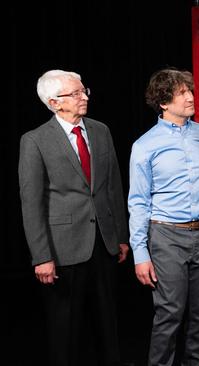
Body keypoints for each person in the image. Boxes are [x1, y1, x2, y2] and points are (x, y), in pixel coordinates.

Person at [18, 70, 129, 365]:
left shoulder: (101, 130)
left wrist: (121, 236)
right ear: (54, 102)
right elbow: (32, 203)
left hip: (104, 244)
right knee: (65, 329)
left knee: (108, 326)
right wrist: (41, 256)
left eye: (84, 91)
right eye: (75, 94)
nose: (84, 98)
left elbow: (113, 186)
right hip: (62, 249)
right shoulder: (35, 140)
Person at [128, 68, 199, 365]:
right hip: (165, 236)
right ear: (163, 101)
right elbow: (138, 201)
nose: (190, 97)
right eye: (182, 92)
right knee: (170, 313)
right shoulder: (144, 145)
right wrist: (140, 253)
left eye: (190, 91)